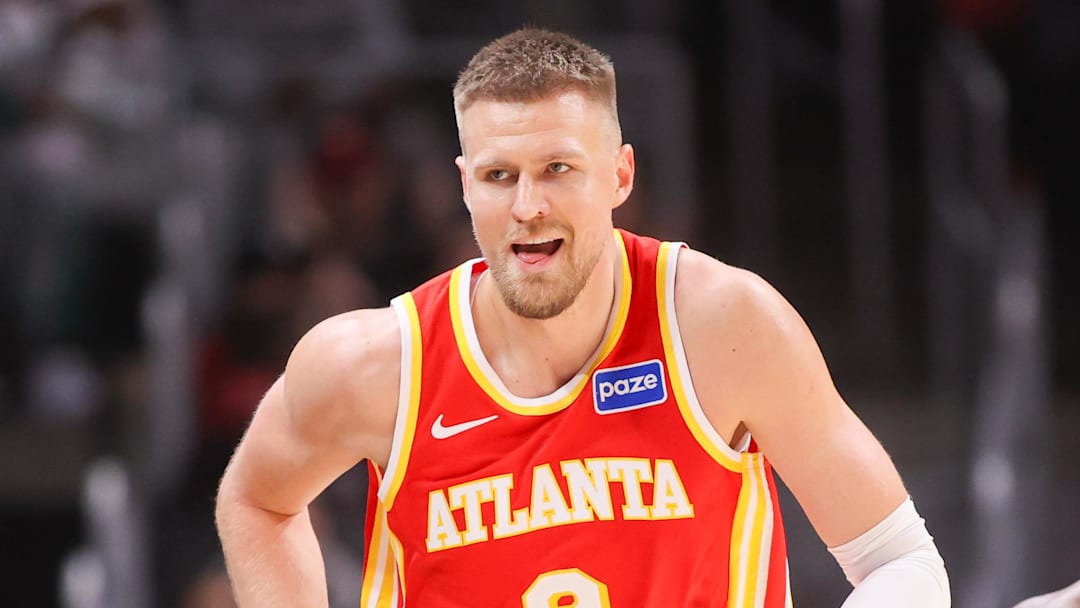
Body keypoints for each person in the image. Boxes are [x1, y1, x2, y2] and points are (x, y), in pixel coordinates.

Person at [215, 28, 950, 607]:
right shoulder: (378, 365)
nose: (528, 206)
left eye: (557, 169)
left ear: (620, 176)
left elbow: (897, 557)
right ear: (465, 188)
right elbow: (255, 500)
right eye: (501, 176)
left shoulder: (720, 324)